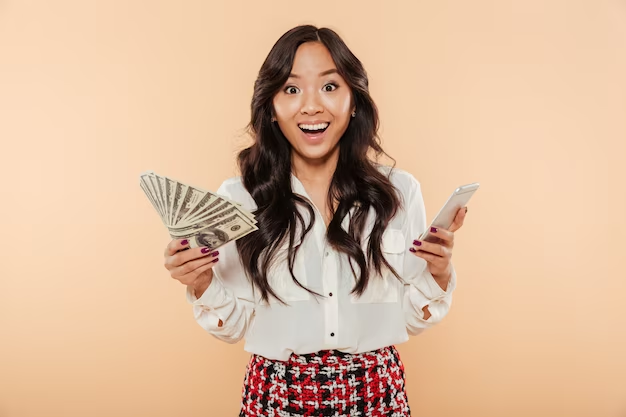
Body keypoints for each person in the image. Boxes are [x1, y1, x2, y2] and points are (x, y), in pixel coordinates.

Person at [163, 25, 468, 417]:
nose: (311, 106)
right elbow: (235, 326)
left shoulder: (399, 192)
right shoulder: (240, 199)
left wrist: (439, 274)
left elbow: (409, 318)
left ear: (353, 100)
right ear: (271, 107)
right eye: (291, 89)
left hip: (376, 394)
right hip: (275, 396)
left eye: (329, 86)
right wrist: (202, 282)